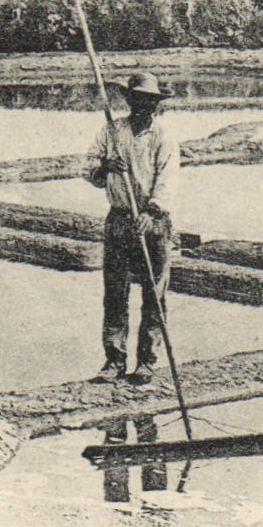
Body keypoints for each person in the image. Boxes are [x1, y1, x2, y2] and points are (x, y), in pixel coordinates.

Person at [86, 73, 180, 385]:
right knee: (115, 293)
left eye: (150, 101)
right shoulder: (112, 131)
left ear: (156, 104)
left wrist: (151, 212)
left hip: (153, 223)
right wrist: (106, 166)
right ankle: (114, 360)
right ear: (130, 100)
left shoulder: (163, 137)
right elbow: (87, 167)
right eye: (138, 99)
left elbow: (168, 181)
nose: (144, 105)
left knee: (154, 294)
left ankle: (147, 362)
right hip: (119, 220)